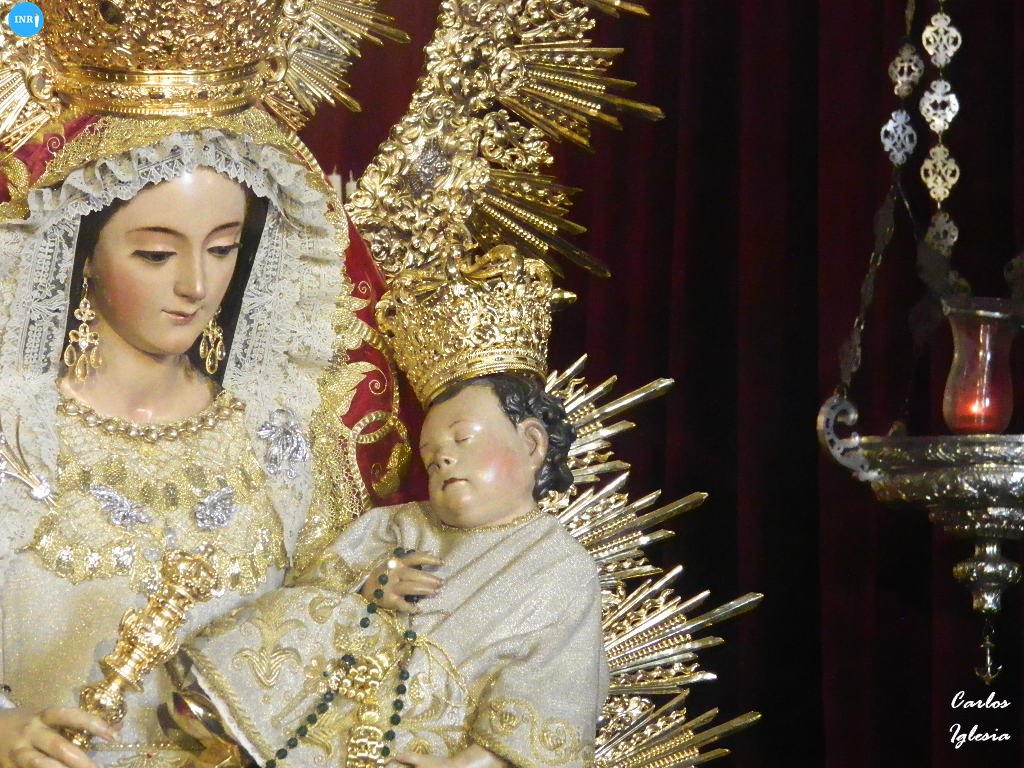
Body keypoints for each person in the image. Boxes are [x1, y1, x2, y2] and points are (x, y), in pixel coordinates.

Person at [0, 111, 406, 768]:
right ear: (84, 253)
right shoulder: (15, 435)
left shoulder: (281, 438)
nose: (196, 285)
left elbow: (333, 646)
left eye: (222, 249)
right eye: (155, 254)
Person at [184, 373, 607, 768]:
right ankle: (224, 711)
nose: (443, 458)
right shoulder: (395, 524)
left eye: (463, 439)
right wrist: (366, 585)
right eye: (430, 458)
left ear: (532, 444)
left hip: (430, 743)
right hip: (328, 701)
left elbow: (552, 692)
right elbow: (313, 585)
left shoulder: (562, 569)